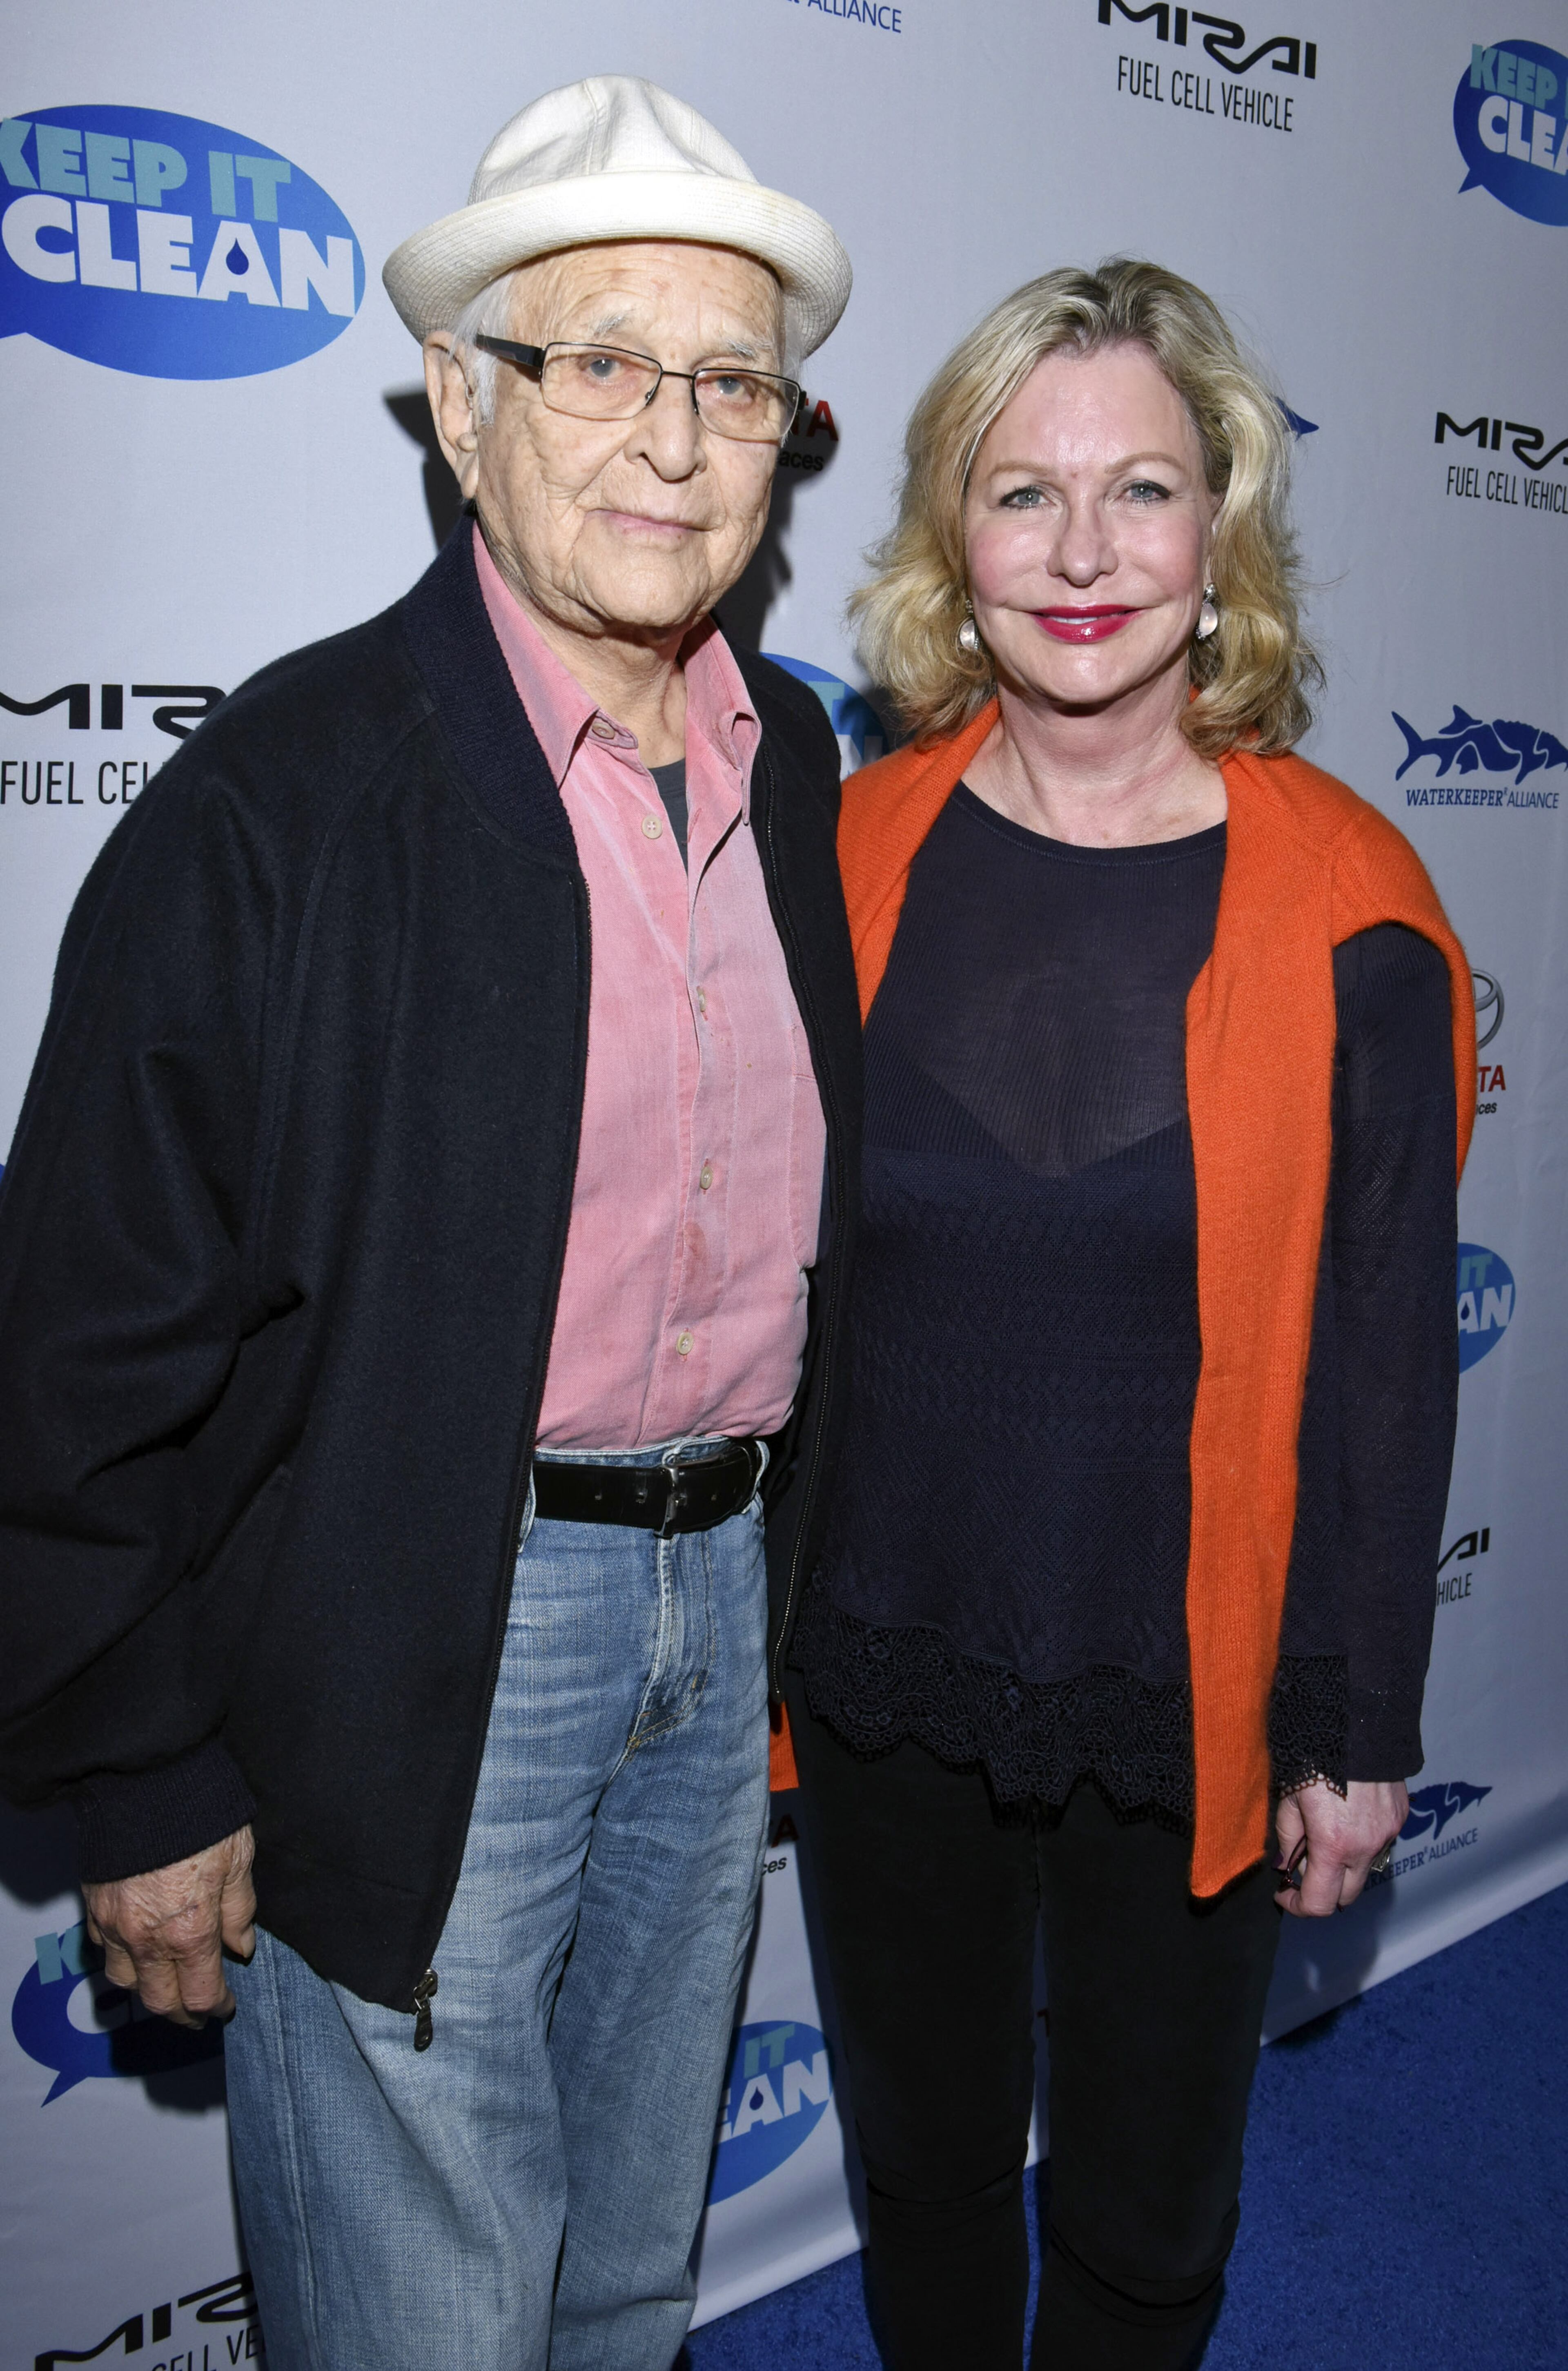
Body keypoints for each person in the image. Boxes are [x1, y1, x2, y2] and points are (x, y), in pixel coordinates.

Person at [0, 77, 862, 2371]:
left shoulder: (795, 769)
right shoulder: (279, 804)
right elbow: (77, 1345)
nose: (673, 440)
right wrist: (144, 1770)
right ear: (464, 414)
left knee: (619, 2283)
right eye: (598, 362)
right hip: (414, 1623)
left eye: (733, 381)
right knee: (419, 2322)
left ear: (786, 439)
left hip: (719, 1601)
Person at [784, 261, 1474, 2370]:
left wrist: (1356, 1735)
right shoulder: (835, 855)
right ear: (949, 540)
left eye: (1144, 492)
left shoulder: (1359, 906)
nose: (1082, 556)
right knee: (916, 2161)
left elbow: (1381, 1357)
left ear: (1221, 540)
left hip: (1190, 1687)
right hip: (885, 1654)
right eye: (1023, 495)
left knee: (1153, 2216)